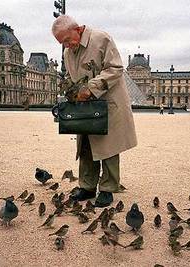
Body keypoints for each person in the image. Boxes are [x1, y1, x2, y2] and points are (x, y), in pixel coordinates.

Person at [52, 15, 137, 207]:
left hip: (108, 101)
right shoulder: (68, 53)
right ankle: (87, 186)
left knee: (108, 146)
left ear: (78, 29)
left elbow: (116, 68)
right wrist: (70, 93)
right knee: (86, 146)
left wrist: (90, 88)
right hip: (85, 105)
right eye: (62, 43)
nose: (66, 46)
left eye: (66, 40)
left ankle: (107, 188)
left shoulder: (101, 39)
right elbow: (72, 79)